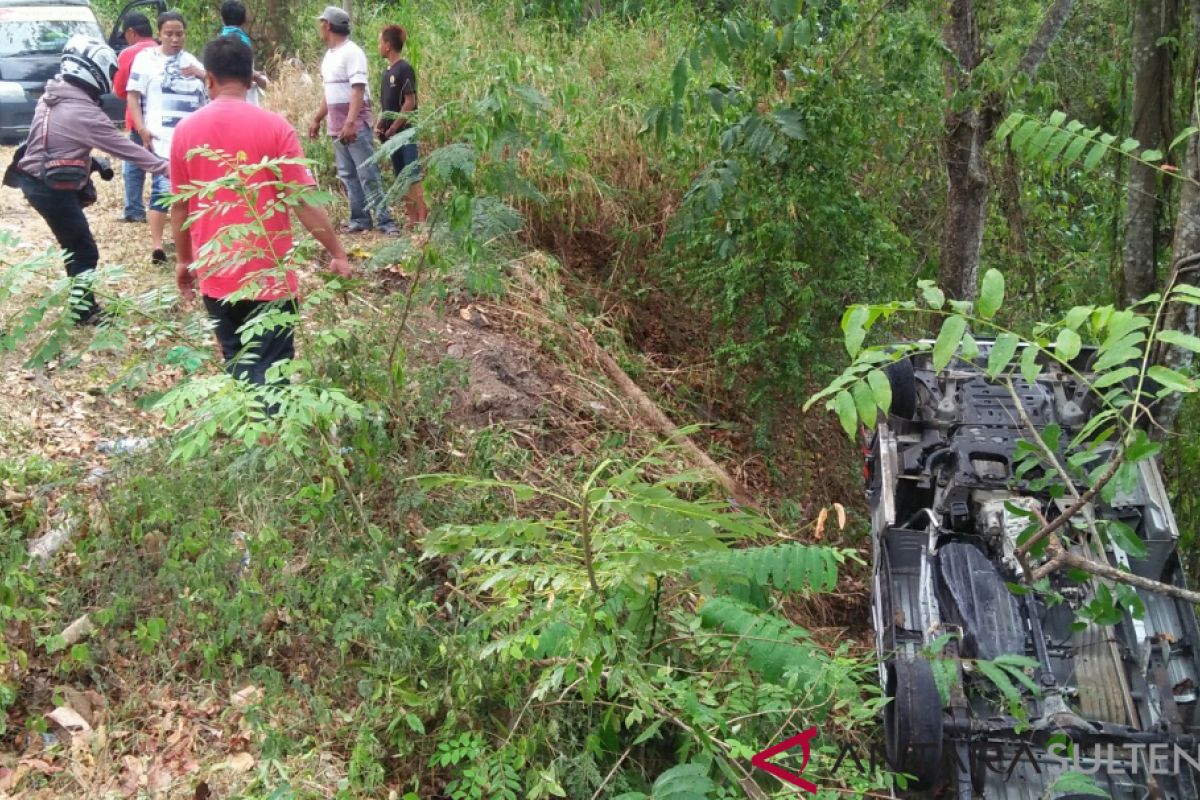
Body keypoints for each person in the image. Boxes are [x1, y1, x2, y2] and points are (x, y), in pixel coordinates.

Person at [171, 36, 351, 388]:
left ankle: (254, 433)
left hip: (217, 273)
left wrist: (183, 261)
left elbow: (180, 207)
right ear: (251, 79)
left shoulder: (184, 132)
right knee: (273, 368)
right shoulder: (275, 128)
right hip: (269, 273)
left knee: (237, 361)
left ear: (208, 78)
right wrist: (338, 253)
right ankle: (271, 434)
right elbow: (302, 201)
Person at [8, 36, 168, 325]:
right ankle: (83, 312)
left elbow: (52, 141)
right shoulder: (83, 111)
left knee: (75, 244)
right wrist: (168, 169)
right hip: (47, 187)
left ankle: (81, 304)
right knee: (83, 249)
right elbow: (128, 150)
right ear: (94, 71)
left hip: (33, 179)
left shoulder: (52, 95)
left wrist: (90, 163)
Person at [308, 6, 398, 235]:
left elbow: (357, 90)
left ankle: (385, 221)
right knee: (348, 174)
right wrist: (318, 119)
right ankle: (360, 219)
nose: (320, 27)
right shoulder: (329, 57)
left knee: (368, 173)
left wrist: (350, 123)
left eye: (321, 23)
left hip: (354, 125)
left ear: (328, 26)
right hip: (337, 125)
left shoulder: (352, 52)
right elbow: (329, 94)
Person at [126, 11, 207, 265]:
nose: (174, 39)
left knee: (191, 192)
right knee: (162, 189)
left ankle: (191, 242)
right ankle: (157, 245)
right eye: (169, 34)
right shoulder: (145, 59)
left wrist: (199, 73)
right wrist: (141, 129)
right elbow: (133, 96)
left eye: (179, 34)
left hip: (191, 139)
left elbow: (211, 92)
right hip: (160, 137)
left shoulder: (193, 62)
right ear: (159, 34)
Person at [377, 24, 427, 226]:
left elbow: (409, 102)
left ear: (388, 45)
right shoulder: (386, 73)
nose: (378, 46)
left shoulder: (404, 69)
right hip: (392, 135)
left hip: (406, 133)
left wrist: (394, 127)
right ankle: (412, 219)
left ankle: (422, 219)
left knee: (412, 175)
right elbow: (386, 106)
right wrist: (380, 124)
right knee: (401, 176)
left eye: (380, 42)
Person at [112, 13, 157, 223]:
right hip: (164, 120)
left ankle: (134, 210)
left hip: (138, 119)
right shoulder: (163, 49)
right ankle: (162, 206)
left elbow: (120, 90)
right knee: (163, 162)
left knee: (133, 163)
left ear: (131, 32)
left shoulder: (129, 54)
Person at [218, 0, 268, 104]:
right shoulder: (245, 42)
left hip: (222, 98)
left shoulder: (217, 44)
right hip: (246, 99)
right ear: (244, 20)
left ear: (222, 19)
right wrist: (254, 75)